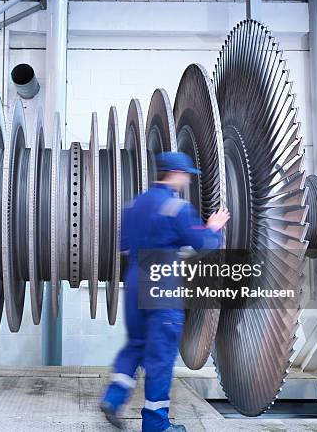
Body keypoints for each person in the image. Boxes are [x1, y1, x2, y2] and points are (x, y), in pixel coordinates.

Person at [100, 152, 230, 432]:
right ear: (175, 173)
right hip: (162, 284)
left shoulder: (133, 205)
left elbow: (123, 247)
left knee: (136, 344)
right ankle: (156, 426)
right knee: (160, 356)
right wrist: (214, 228)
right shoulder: (176, 207)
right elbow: (203, 245)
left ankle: (113, 397)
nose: (187, 179)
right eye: (186, 174)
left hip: (135, 280)